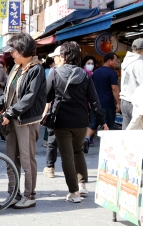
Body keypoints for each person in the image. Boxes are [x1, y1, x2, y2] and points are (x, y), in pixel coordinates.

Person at [46, 41, 108, 203]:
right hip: (81, 120)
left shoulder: (55, 73)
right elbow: (94, 101)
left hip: (61, 121)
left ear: (64, 56)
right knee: (78, 151)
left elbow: (46, 96)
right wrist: (103, 122)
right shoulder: (85, 75)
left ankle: (74, 192)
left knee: (67, 157)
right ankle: (82, 185)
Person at [0, 33, 46, 209]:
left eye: (13, 50)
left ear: (22, 50)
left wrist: (10, 112)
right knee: (11, 158)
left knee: (27, 159)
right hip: (11, 118)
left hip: (26, 120)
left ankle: (30, 195)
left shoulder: (36, 69)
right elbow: (8, 93)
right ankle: (13, 193)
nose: (11, 54)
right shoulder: (15, 68)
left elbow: (29, 97)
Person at [84, 52, 120, 153]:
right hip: (107, 103)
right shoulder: (112, 73)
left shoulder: (95, 72)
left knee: (93, 123)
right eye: (115, 61)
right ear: (109, 61)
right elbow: (114, 89)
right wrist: (118, 102)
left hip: (95, 103)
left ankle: (86, 139)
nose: (116, 63)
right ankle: (108, 147)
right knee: (108, 125)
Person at [42, 50, 62, 179]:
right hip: (74, 114)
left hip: (56, 111)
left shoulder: (54, 71)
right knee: (73, 146)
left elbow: (47, 95)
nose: (54, 58)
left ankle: (50, 168)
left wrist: (44, 112)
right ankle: (79, 177)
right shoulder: (80, 72)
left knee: (52, 141)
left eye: (55, 56)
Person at [120, 38, 143, 129]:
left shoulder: (126, 61)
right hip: (135, 103)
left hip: (124, 100)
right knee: (138, 131)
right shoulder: (139, 63)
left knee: (127, 130)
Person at [81, 55, 97, 147]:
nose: (91, 65)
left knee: (89, 120)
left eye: (92, 63)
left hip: (89, 101)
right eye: (88, 63)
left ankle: (87, 138)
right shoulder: (84, 74)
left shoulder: (92, 74)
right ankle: (85, 138)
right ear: (84, 65)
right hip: (85, 101)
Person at [41, 56, 55, 148]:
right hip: (49, 97)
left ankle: (47, 140)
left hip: (48, 97)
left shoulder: (50, 70)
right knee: (49, 117)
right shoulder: (50, 71)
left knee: (48, 117)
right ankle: (47, 140)